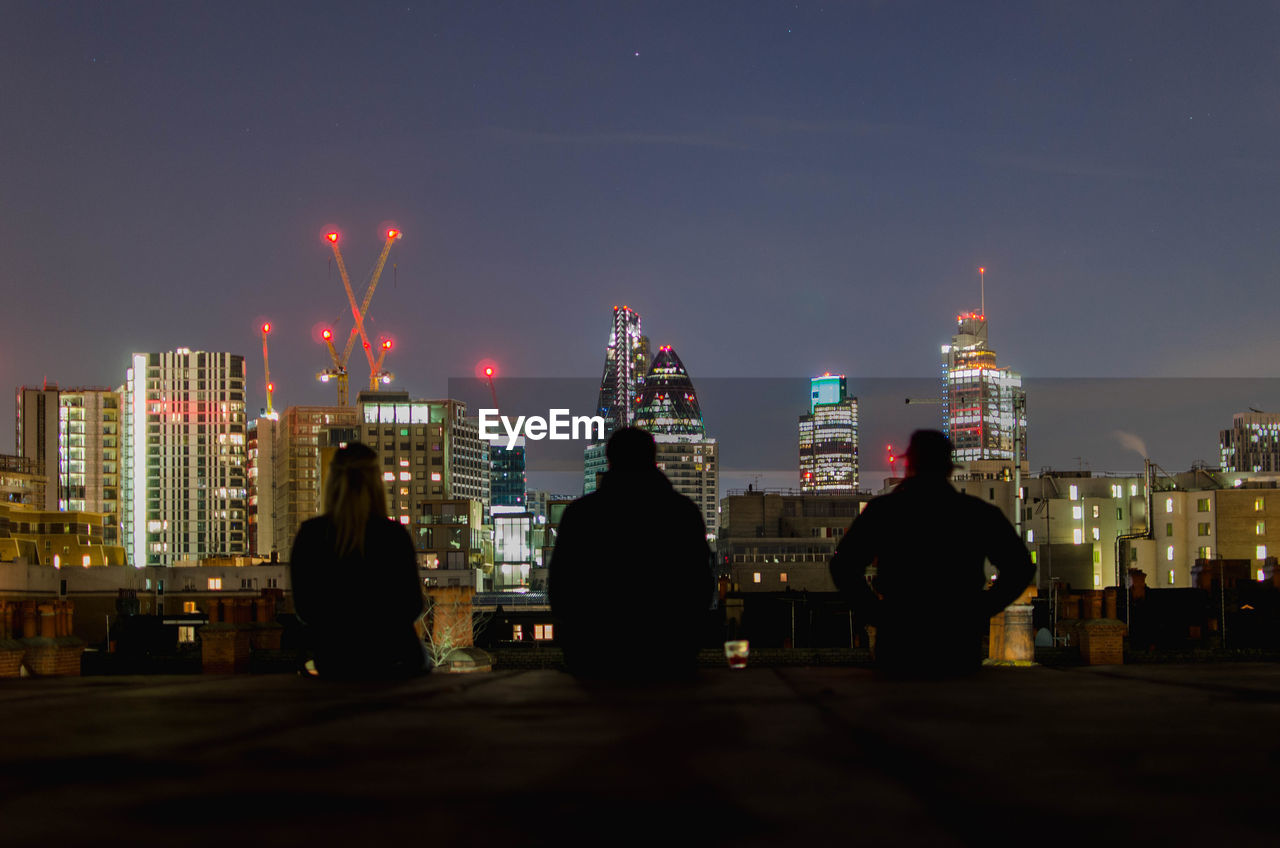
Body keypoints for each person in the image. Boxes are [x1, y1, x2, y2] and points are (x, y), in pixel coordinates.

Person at [829, 430, 1035, 676]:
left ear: (910, 464)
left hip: (900, 642)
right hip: (958, 644)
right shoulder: (977, 514)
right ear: (949, 467)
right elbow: (1021, 567)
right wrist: (981, 609)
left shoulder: (884, 512)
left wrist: (877, 614)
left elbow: (843, 567)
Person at [550, 427, 713, 678]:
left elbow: (561, 589)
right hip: (670, 656)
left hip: (596, 658)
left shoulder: (581, 516)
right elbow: (700, 586)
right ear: (654, 457)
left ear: (609, 458)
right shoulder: (683, 514)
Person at [290, 442, 427, 678]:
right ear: (376, 484)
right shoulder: (392, 536)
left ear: (331, 483)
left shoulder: (311, 535)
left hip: (334, 659)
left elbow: (305, 609)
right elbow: (412, 605)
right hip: (393, 659)